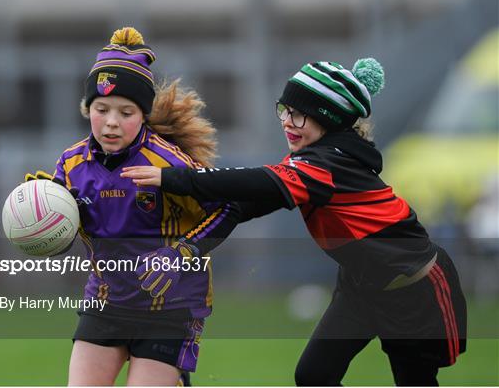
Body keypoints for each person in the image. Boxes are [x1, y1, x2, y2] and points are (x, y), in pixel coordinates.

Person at [121, 58, 467, 386]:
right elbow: (243, 206)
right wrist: (189, 245)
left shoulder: (327, 166)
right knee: (314, 376)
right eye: (285, 110)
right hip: (361, 289)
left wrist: (176, 178)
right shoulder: (310, 162)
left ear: (328, 120)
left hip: (413, 290)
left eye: (300, 115)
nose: (288, 121)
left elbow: (256, 181)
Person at [26, 27, 239, 386]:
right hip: (107, 302)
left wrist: (183, 252)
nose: (111, 122)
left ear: (143, 114)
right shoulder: (71, 164)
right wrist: (43, 212)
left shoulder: (169, 162)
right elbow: (62, 231)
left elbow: (227, 208)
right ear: (86, 109)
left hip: (170, 308)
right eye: (101, 109)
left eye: (126, 111)